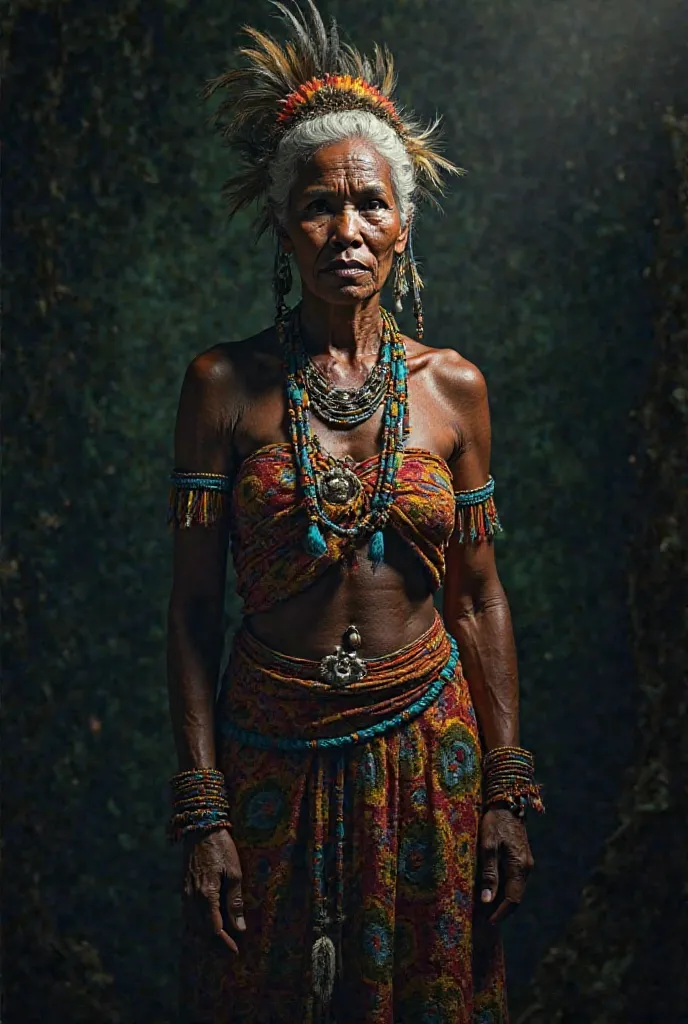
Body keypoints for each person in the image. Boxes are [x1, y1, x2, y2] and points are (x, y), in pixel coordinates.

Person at [166, 3, 543, 1021]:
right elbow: (196, 616)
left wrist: (506, 788)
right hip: (268, 743)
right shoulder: (222, 386)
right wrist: (201, 810)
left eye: (369, 205)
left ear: (402, 224)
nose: (347, 229)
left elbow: (478, 597)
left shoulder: (452, 388)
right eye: (320, 205)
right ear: (284, 224)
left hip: (428, 745)